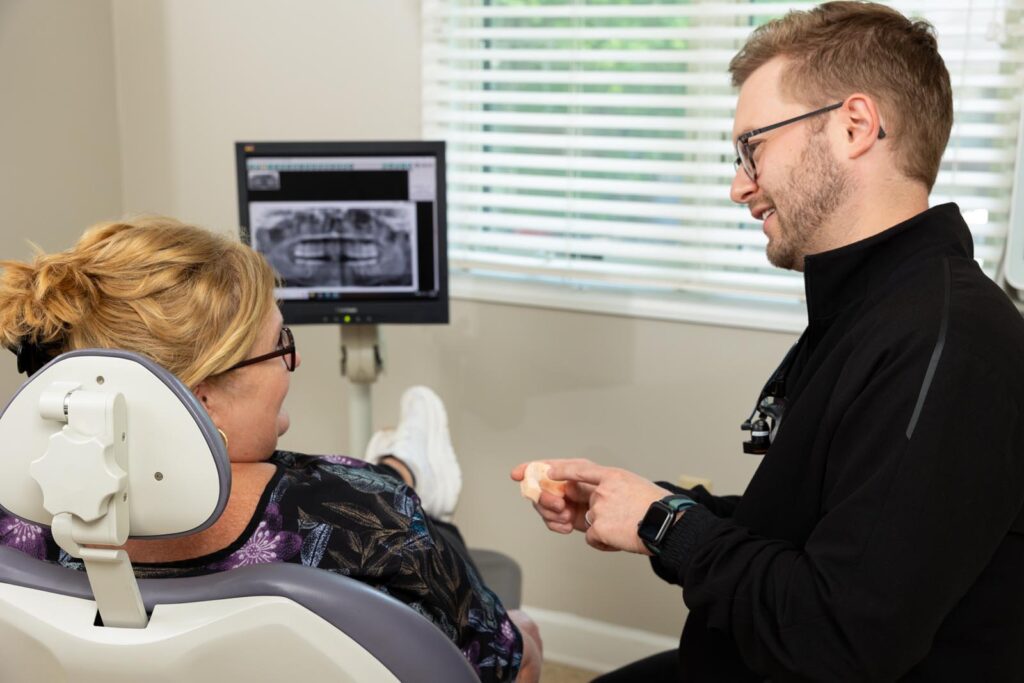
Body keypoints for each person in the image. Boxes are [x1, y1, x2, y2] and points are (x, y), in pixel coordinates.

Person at [513, 2, 1024, 681]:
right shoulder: (871, 308)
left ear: (854, 126)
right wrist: (647, 503)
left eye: (753, 147)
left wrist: (663, 524)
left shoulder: (947, 344)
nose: (739, 186)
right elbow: (802, 533)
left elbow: (839, 637)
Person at [0, 217, 541, 683]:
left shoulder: (12, 520)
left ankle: (404, 462)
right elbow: (505, 667)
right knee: (484, 583)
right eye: (280, 344)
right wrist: (525, 637)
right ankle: (406, 467)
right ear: (203, 400)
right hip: (383, 515)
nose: (294, 362)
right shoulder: (366, 517)